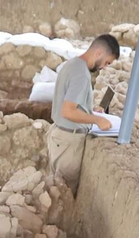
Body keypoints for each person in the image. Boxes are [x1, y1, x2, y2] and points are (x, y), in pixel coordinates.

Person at [48, 34, 120, 187]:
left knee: (58, 189)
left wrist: (89, 110)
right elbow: (68, 111)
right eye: (107, 62)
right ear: (99, 52)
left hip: (61, 137)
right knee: (65, 191)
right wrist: (98, 120)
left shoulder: (73, 64)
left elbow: (69, 102)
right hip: (69, 142)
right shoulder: (81, 75)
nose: (104, 67)